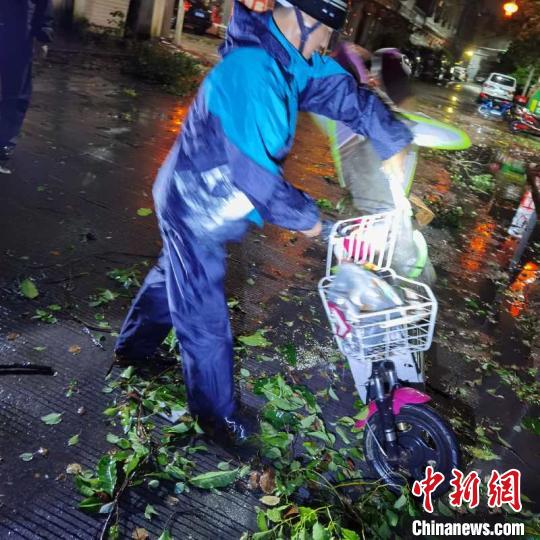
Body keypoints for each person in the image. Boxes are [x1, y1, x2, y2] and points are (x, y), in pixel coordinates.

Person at [114, 0, 413, 443]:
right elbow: (256, 177)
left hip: (211, 202)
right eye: (323, 39)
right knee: (203, 314)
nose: (322, 51)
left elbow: (345, 95)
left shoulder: (293, 61)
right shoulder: (252, 72)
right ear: (303, 20)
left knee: (171, 276)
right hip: (194, 202)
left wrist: (392, 141)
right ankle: (217, 418)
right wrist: (316, 224)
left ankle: (133, 350)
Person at [0, 0, 54, 172]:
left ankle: (4, 145)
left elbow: (43, 5)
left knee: (16, 94)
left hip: (18, 35)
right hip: (18, 30)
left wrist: (44, 34)